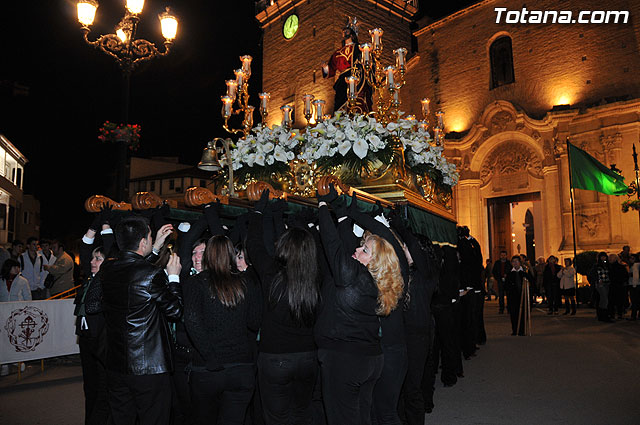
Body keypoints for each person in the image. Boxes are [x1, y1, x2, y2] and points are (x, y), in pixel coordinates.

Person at [315, 185, 403, 425]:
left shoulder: (355, 277)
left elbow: (333, 246)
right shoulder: (374, 279)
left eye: (364, 249)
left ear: (373, 261)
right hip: (369, 360)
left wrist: (323, 207)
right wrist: (342, 213)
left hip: (346, 362)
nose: (357, 249)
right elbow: (345, 248)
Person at [85, 216, 182, 425]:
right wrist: (174, 277)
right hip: (150, 368)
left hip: (116, 365)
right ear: (143, 242)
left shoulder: (107, 270)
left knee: (122, 419)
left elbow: (130, 272)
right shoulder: (153, 274)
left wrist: (154, 247)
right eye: (148, 237)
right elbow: (175, 311)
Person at [247, 193, 321, 425]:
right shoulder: (316, 279)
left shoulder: (272, 275)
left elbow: (254, 245)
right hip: (309, 359)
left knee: (277, 418)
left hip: (276, 359)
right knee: (301, 414)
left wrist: (258, 213)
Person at [182, 235, 261, 425]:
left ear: (208, 256)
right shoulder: (245, 283)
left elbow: (192, 321)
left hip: (208, 369)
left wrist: (210, 357)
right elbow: (254, 321)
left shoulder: (196, 283)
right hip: (241, 367)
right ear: (231, 256)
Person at [322, 17, 371, 114]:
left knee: (358, 100)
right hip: (343, 79)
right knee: (340, 101)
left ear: (352, 34)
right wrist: (326, 68)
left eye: (347, 31)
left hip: (356, 77)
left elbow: (366, 62)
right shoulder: (338, 52)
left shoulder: (359, 48)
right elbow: (332, 67)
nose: (344, 33)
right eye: (343, 32)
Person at [505, 256, 533, 335]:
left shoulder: (525, 272)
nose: (515, 263)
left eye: (517, 261)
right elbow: (506, 286)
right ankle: (515, 330)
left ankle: (522, 330)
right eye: (513, 262)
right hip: (513, 297)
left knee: (523, 313)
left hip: (523, 296)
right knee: (514, 314)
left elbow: (532, 282)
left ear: (520, 262)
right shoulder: (510, 274)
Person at [588, 252, 612, 322]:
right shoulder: (596, 266)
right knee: (604, 299)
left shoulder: (607, 265)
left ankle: (603, 315)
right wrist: (597, 280)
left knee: (604, 299)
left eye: (604, 257)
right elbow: (591, 274)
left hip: (607, 283)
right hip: (600, 284)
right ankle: (603, 316)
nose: (603, 258)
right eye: (602, 257)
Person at [608, 254, 628, 320]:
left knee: (612, 301)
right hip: (619, 286)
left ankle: (612, 314)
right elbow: (625, 276)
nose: (609, 260)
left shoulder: (610, 267)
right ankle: (619, 314)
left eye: (610, 259)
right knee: (619, 301)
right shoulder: (621, 267)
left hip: (614, 286)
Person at [627, 253, 640, 320]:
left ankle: (633, 316)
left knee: (634, 301)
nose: (631, 260)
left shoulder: (635, 265)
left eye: (633, 258)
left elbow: (635, 277)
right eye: (630, 258)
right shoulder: (636, 265)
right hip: (636, 285)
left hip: (634, 285)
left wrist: (634, 285)